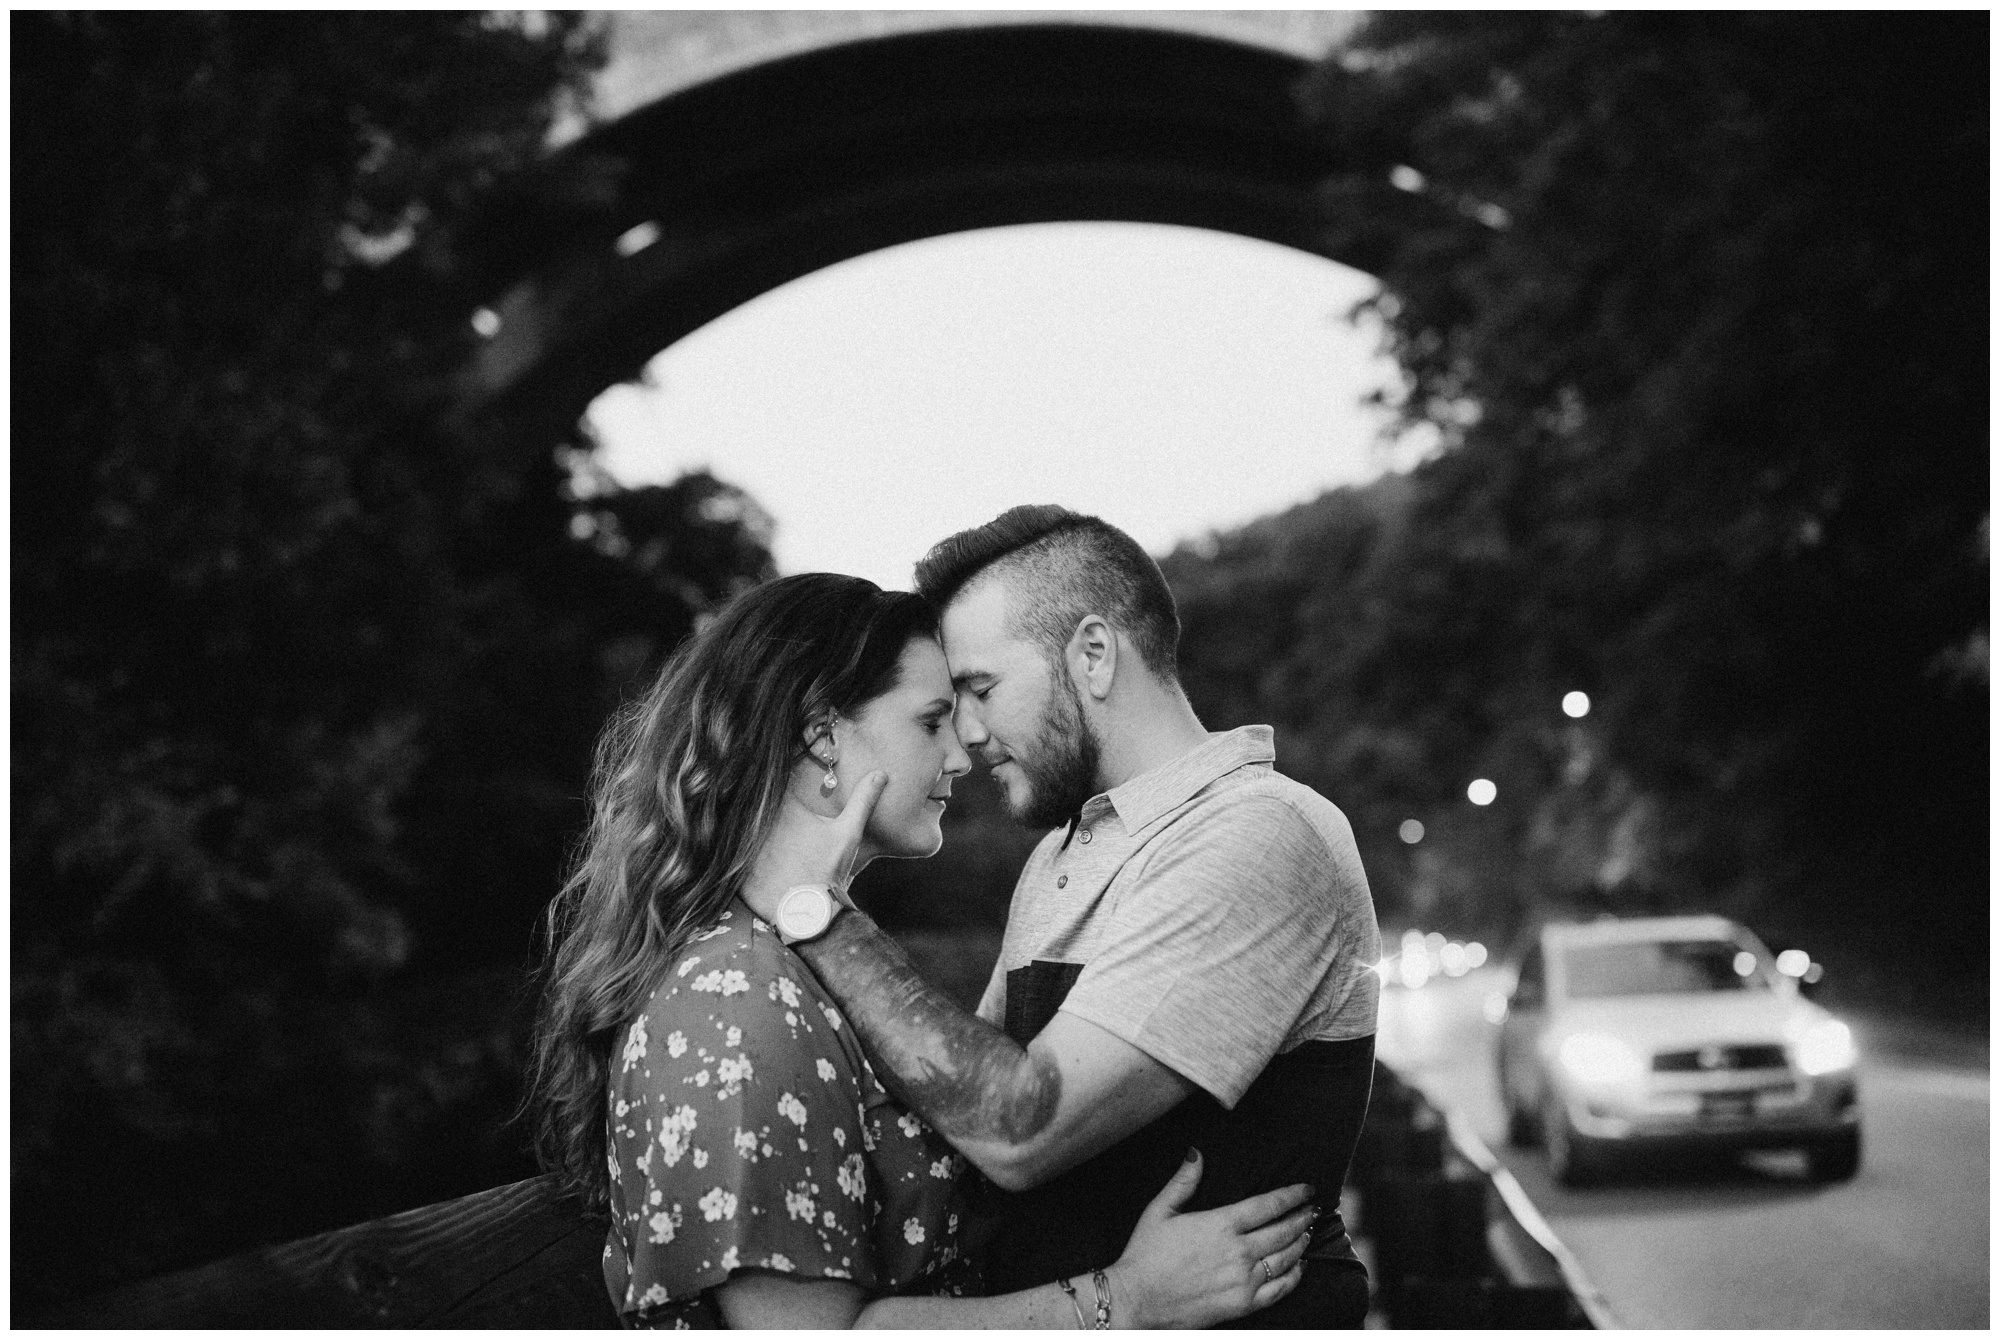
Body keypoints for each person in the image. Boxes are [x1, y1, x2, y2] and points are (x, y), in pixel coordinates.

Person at [526, 573, 1318, 1328]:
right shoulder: (737, 996)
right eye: (931, 721)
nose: (962, 755)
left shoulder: (806, 958)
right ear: (821, 735)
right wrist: (1128, 1303)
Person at [743, 506, 1382, 1327]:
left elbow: (1019, 1129)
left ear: (1092, 654)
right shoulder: (1061, 854)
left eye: (981, 690)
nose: (967, 737)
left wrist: (815, 913)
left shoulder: (1258, 832)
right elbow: (962, 1114)